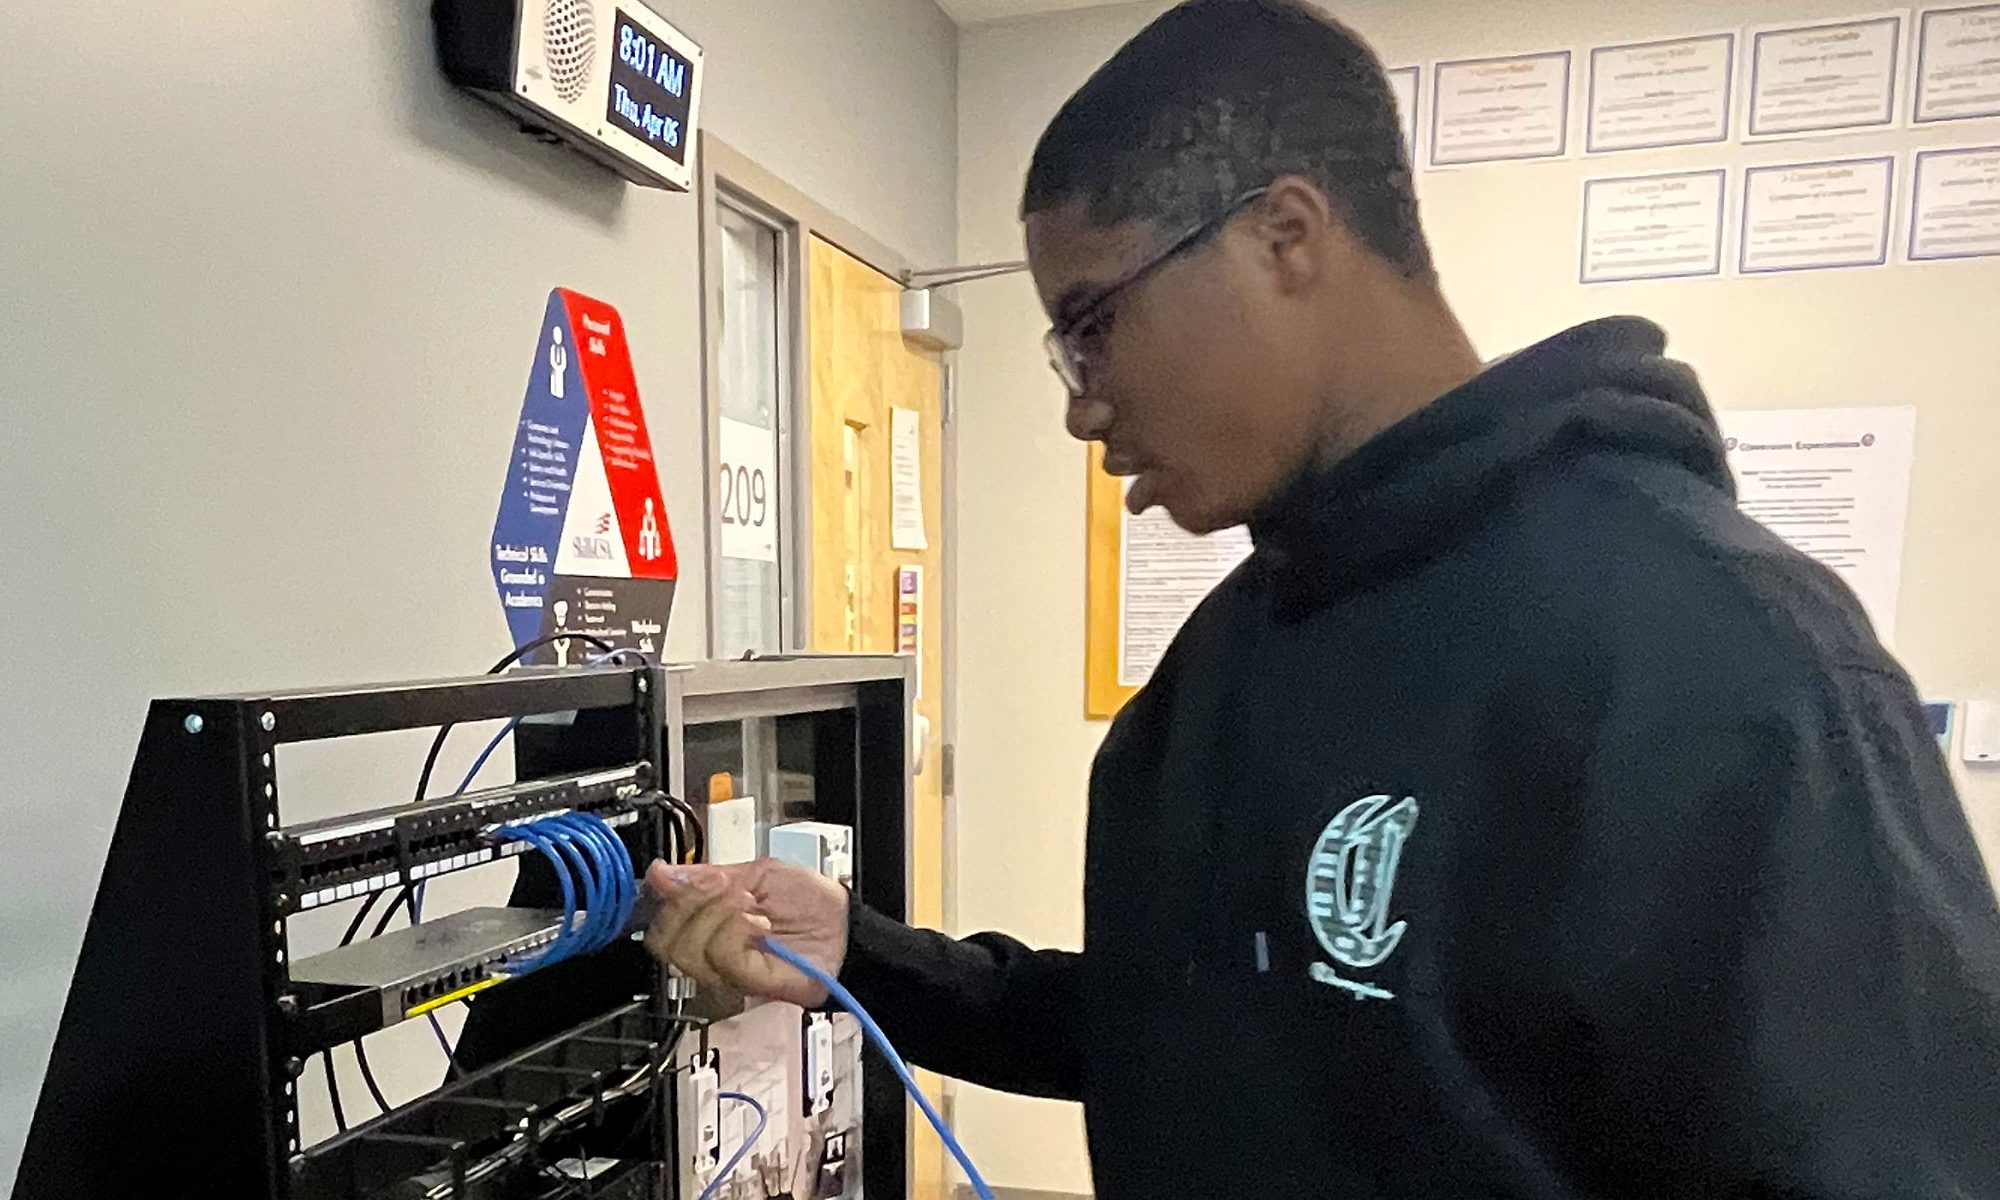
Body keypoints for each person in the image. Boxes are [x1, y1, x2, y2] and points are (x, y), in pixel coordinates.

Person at [644, 2, 2000, 1196]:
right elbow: (1187, 1035)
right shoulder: (1229, 662)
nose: (1081, 404)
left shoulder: (1728, 664)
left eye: (1093, 320)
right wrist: (865, 959)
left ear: (1284, 236)